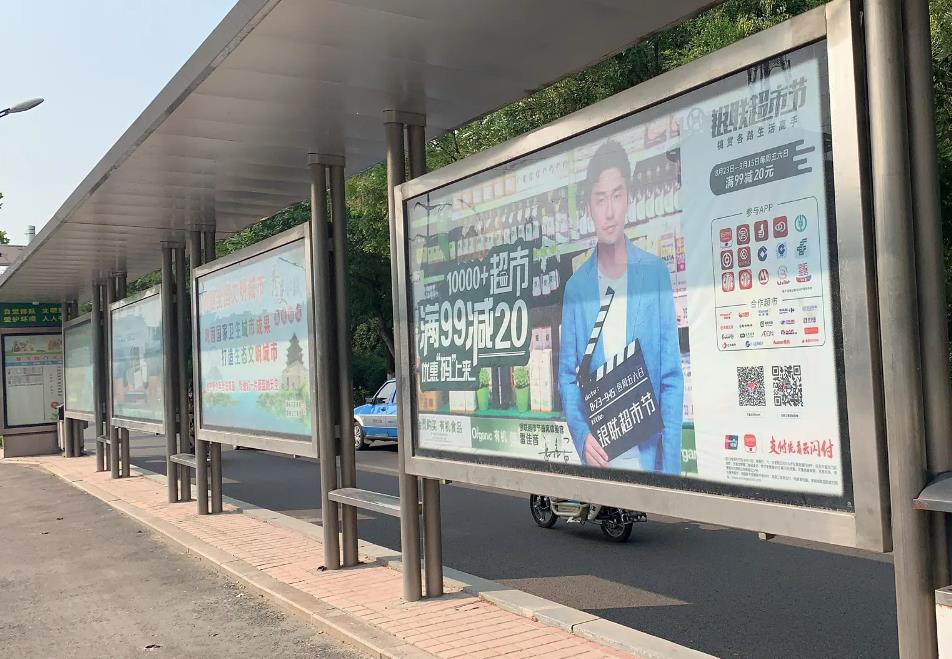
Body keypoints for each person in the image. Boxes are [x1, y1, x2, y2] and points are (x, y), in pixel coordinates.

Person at [558, 139, 684, 474]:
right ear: (589, 207)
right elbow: (568, 376)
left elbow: (671, 378)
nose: (610, 211)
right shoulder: (577, 289)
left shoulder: (654, 273)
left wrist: (670, 472)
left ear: (628, 197)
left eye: (616, 195)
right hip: (601, 458)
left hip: (649, 457)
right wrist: (582, 435)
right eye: (600, 199)